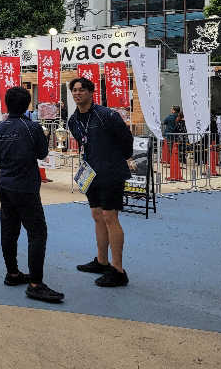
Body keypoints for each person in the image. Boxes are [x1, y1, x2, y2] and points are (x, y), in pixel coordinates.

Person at [0, 86, 63, 303]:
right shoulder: (32, 128)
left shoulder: (1, 128)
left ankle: (12, 273)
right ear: (27, 105)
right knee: (37, 232)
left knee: (9, 228)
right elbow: (42, 153)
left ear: (7, 104)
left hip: (5, 184)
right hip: (25, 186)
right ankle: (35, 284)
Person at [68, 77, 133, 288]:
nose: (77, 93)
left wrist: (114, 159)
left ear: (91, 92)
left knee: (110, 216)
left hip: (111, 172)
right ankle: (102, 261)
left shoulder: (107, 115)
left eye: (81, 90)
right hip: (91, 173)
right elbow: (84, 144)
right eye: (74, 90)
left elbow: (126, 141)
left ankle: (118, 270)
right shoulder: (73, 120)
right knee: (97, 215)